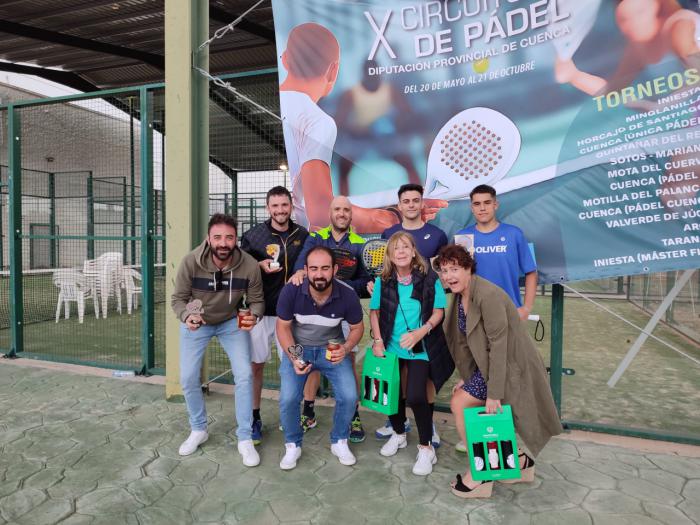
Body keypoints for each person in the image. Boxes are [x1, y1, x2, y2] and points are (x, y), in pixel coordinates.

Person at [278, 22, 446, 233]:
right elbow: (320, 209)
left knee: (408, 162)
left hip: (384, 137)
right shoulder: (325, 115)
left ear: (284, 60)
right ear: (333, 70)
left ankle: (419, 193)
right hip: (360, 138)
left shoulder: (280, 104)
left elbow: (406, 113)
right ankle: (347, 198)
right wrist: (393, 217)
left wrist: (396, 124)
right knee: (345, 168)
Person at [434, 244, 562, 498]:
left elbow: (499, 346)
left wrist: (494, 394)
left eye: (455, 269)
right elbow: (470, 343)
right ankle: (521, 463)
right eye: (445, 270)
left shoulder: (488, 295)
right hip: (489, 364)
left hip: (510, 362)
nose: (449, 275)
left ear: (469, 268)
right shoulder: (460, 296)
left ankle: (480, 474)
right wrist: (468, 377)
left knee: (460, 403)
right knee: (462, 401)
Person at [171, 213, 264, 466]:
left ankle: (244, 437)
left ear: (236, 239)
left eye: (229, 237)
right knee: (188, 377)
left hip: (230, 324)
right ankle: (198, 429)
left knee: (244, 375)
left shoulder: (249, 265)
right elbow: (178, 299)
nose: (224, 243)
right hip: (198, 322)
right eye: (218, 237)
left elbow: (257, 301)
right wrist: (186, 317)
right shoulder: (190, 261)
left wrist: (253, 315)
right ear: (208, 238)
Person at [368, 232, 454, 476]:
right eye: (396, 248)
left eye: (406, 246)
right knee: (392, 396)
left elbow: (438, 311)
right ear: (390, 256)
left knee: (416, 396)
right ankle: (398, 434)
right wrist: (377, 341)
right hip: (391, 348)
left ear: (414, 251)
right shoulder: (383, 281)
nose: (401, 251)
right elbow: (375, 313)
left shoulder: (429, 278)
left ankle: (426, 448)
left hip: (420, 348)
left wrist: (420, 332)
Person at [289, 196, 372, 442]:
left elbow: (364, 282)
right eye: (337, 209)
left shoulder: (360, 243)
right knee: (312, 358)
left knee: (347, 358)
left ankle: (352, 414)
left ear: (350, 214)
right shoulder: (316, 238)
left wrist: (339, 286)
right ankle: (308, 411)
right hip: (314, 309)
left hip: (344, 310)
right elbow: (300, 269)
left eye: (346, 210)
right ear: (330, 212)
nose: (342, 213)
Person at [276, 246, 365, 470]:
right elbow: (283, 328)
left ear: (335, 270)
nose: (319, 274)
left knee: (348, 395)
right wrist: (294, 357)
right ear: (305, 270)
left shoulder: (347, 294)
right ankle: (292, 445)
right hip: (299, 350)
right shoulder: (291, 291)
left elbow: (357, 328)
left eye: (325, 268)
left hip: (331, 350)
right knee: (287, 398)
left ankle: (339, 440)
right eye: (313, 268)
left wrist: (345, 349)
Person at [375, 183, 448, 445]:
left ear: (422, 204)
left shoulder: (437, 234)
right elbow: (384, 274)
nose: (411, 205)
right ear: (399, 204)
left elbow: (442, 270)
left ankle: (427, 428)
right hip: (394, 330)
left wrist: (424, 326)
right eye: (406, 201)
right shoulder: (389, 233)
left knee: (422, 382)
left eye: (415, 200)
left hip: (424, 324)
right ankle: (398, 426)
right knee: (397, 382)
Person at [240, 186, 308, 444]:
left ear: (291, 206)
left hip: (293, 317)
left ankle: (291, 416)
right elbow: (240, 267)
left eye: (284, 205)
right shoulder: (252, 236)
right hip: (260, 312)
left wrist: (302, 272)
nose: (280, 210)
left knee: (296, 365)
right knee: (255, 366)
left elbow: (308, 265)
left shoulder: (303, 234)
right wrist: (258, 265)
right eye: (275, 206)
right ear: (268, 208)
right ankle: (254, 417)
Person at [454, 185, 537, 319]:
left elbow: (531, 272)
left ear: (495, 205)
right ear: (472, 208)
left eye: (487, 203)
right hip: (474, 312)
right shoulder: (463, 237)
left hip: (509, 310)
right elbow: (459, 276)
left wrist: (526, 308)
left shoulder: (513, 234)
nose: (482, 208)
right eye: (477, 204)